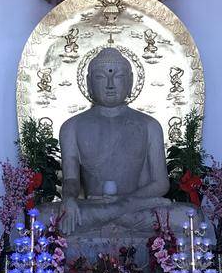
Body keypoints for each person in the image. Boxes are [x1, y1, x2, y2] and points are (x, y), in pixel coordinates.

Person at [59, 47, 170, 237]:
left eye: (118, 77)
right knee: (41, 217)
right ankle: (111, 215)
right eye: (101, 77)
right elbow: (70, 180)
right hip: (94, 207)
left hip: (134, 207)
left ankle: (110, 215)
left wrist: (123, 202)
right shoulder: (72, 126)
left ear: (131, 81)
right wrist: (69, 199)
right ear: (88, 83)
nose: (110, 85)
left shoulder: (149, 125)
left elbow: (161, 183)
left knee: (190, 217)